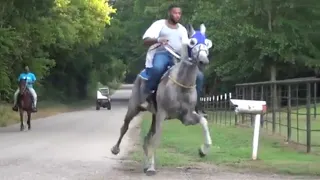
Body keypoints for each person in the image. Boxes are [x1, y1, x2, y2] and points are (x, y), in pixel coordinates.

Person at [141, 4, 206, 116]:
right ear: (169, 13)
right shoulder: (159, 24)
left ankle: (196, 105)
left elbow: (187, 46)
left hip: (179, 58)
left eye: (179, 13)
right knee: (157, 68)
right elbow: (145, 41)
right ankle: (148, 97)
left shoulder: (182, 29)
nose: (177, 15)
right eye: (175, 13)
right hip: (161, 53)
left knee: (199, 76)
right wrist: (158, 39)